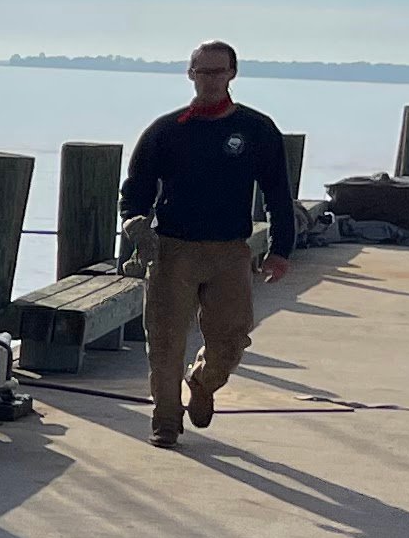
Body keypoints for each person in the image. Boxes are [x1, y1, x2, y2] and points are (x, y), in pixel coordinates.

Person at [123, 40, 297, 446]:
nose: (210, 79)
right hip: (172, 250)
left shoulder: (256, 129)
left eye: (218, 72)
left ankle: (202, 382)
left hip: (231, 251)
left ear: (232, 74)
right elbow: (135, 191)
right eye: (203, 71)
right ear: (190, 74)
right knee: (165, 340)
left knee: (231, 339)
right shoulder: (166, 131)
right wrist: (133, 223)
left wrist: (280, 249)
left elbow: (277, 193)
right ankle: (166, 419)